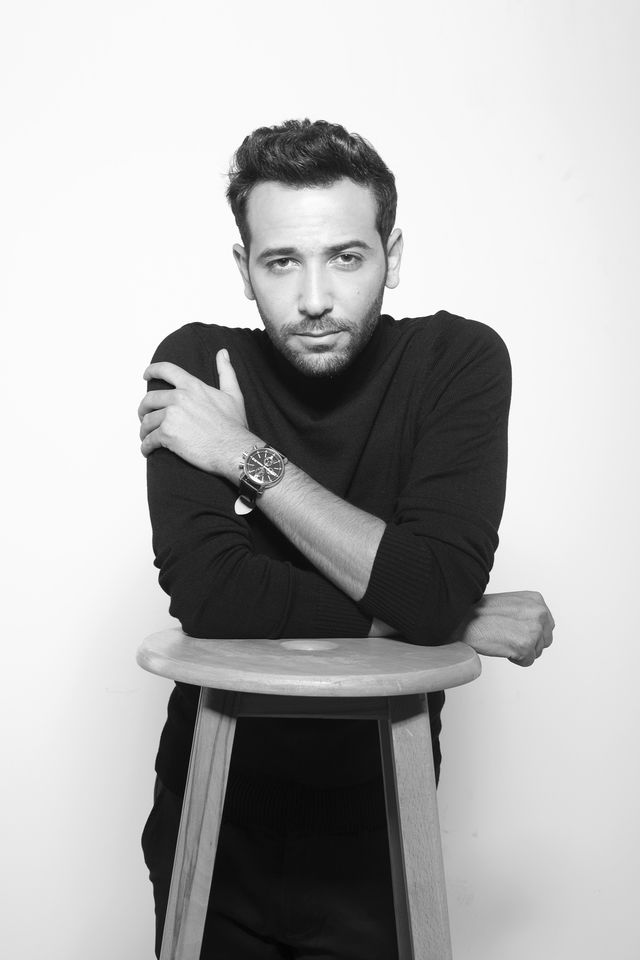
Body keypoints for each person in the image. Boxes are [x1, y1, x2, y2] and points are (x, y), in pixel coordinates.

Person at [138, 118, 554, 960]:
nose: (315, 298)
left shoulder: (456, 362)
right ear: (244, 268)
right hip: (212, 808)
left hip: (382, 822)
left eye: (347, 257)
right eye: (281, 262)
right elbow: (212, 596)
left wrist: (241, 455)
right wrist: (449, 617)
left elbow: (430, 586)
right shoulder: (199, 365)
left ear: (391, 257)